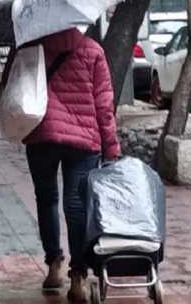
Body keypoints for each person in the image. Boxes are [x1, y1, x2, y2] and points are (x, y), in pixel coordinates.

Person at [21, 27, 121, 302]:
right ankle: (78, 276)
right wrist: (111, 146)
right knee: (76, 205)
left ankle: (54, 265)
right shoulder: (92, 50)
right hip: (84, 140)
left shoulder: (32, 50)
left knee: (46, 198)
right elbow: (104, 104)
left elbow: (13, 88)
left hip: (41, 135)